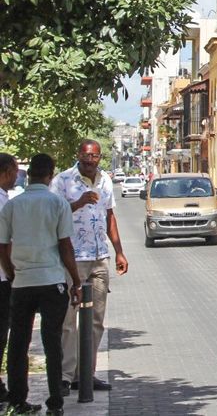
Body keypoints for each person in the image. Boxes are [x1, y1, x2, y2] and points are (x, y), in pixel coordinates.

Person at [0, 153, 82, 416]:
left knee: (18, 344)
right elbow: (65, 245)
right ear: (50, 174)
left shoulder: (12, 205)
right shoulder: (57, 203)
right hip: (52, 281)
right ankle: (55, 403)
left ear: (29, 173)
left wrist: (12, 272)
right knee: (52, 342)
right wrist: (76, 281)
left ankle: (17, 400)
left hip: (22, 282)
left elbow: (2, 246)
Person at [49, 140, 128, 393]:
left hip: (99, 257)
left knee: (96, 320)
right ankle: (65, 375)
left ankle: (86, 374)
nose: (90, 160)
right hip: (72, 258)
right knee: (68, 319)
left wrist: (119, 252)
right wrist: (79, 203)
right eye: (86, 155)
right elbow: (53, 216)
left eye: (94, 156)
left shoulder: (105, 180)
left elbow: (110, 216)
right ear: (78, 155)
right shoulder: (62, 181)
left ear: (100, 157)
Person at [0, 153, 17, 402]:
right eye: (14, 171)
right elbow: (3, 244)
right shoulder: (4, 203)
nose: (16, 175)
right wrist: (12, 273)